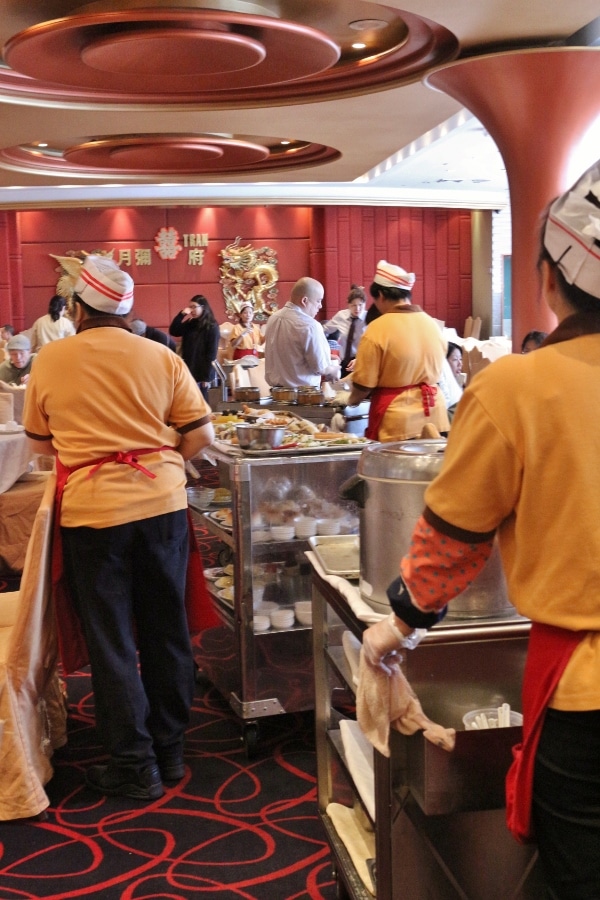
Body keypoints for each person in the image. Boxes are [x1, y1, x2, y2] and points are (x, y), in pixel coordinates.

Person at [360, 160, 600, 898]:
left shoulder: (521, 386)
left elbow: (454, 539)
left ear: (550, 280)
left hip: (587, 695)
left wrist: (396, 624)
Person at [23, 254, 214, 802]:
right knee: (166, 628)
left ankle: (134, 763)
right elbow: (198, 435)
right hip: (161, 506)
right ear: (125, 311)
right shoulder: (160, 355)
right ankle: (171, 750)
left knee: (113, 640)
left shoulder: (51, 360)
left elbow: (41, 448)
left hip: (93, 515)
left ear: (79, 308)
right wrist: (159, 456)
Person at [347, 260, 449, 440]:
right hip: (435, 415)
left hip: (398, 421)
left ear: (381, 295)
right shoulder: (432, 324)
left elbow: (364, 384)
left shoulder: (378, 328)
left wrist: (350, 400)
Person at [264, 276, 339, 388]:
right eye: (318, 300)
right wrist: (334, 369)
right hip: (304, 398)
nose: (320, 306)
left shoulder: (273, 318)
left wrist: (326, 356)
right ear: (304, 301)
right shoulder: (310, 325)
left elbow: (290, 353)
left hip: (276, 395)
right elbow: (320, 367)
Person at [169, 295, 220, 401]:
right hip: (189, 367)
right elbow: (174, 330)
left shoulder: (212, 326)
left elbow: (212, 352)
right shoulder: (191, 323)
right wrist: (182, 314)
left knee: (201, 401)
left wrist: (206, 377)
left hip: (202, 371)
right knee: (188, 400)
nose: (191, 310)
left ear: (203, 307)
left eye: (194, 307)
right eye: (190, 307)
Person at [323, 285, 367, 378]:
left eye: (360, 305)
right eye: (354, 305)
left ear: (365, 304)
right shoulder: (341, 316)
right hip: (344, 361)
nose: (357, 309)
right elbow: (325, 330)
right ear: (348, 305)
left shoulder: (368, 318)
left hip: (361, 361)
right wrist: (325, 351)